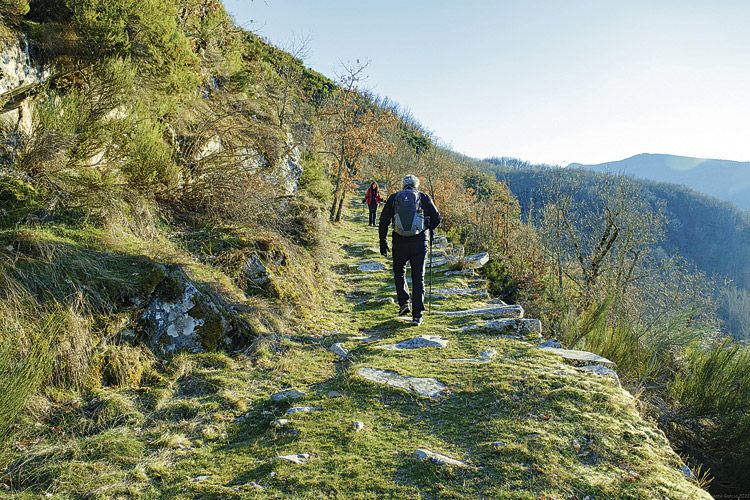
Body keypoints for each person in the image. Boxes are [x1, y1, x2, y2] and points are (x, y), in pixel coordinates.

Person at [378, 175, 441, 326]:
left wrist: (383, 241)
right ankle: (417, 315)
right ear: (416, 185)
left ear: (403, 185)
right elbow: (437, 218)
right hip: (419, 242)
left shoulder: (394, 198)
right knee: (418, 276)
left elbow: (383, 220)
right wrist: (427, 228)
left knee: (399, 271)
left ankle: (404, 303)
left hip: (399, 242)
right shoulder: (423, 197)